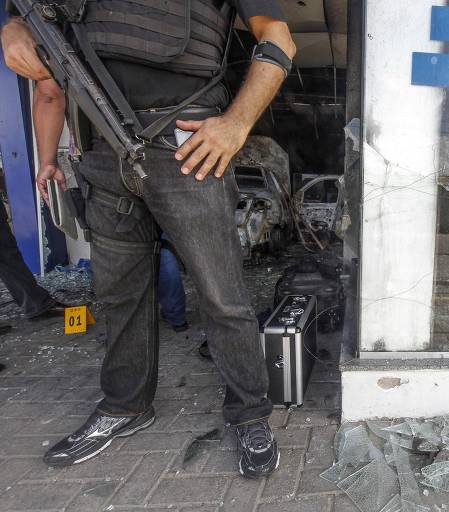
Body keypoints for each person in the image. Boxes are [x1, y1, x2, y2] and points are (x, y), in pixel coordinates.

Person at [2, 1, 295, 477]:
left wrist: (237, 124)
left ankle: (250, 411)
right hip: (100, 154)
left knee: (222, 296)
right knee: (119, 295)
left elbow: (278, 36)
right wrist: (13, 28)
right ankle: (125, 406)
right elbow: (49, 83)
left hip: (186, 151)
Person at [33, 80, 189, 333]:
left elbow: (49, 94)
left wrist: (47, 160)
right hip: (163, 150)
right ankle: (176, 316)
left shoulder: (75, 45)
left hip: (102, 159)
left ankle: (127, 329)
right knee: (164, 242)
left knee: (115, 250)